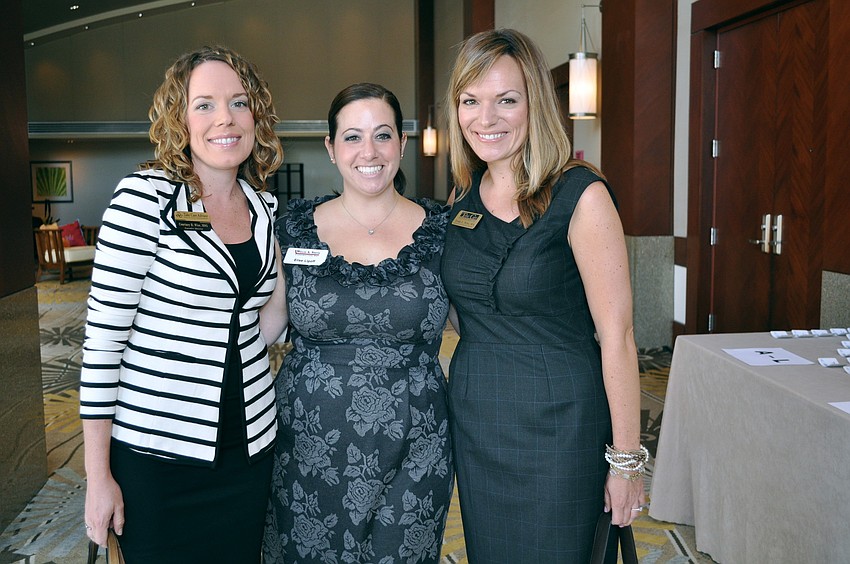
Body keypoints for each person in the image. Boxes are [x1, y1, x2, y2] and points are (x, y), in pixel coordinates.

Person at [440, 28, 648, 563]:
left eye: (506, 100)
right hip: (479, 421)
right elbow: (466, 312)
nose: (486, 119)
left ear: (535, 102)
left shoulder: (580, 193)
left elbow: (618, 335)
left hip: (561, 424)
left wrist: (626, 461)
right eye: (471, 101)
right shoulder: (460, 200)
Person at [79, 45, 284, 563]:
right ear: (179, 118)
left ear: (256, 113)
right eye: (205, 104)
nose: (225, 119)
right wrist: (98, 476)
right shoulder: (145, 199)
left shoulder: (262, 208)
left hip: (248, 453)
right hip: (159, 459)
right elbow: (103, 347)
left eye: (239, 102)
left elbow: (261, 323)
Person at [260, 83, 453, 564]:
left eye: (383, 135)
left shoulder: (443, 229)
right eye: (352, 137)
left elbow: (481, 326)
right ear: (331, 147)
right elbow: (261, 331)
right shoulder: (292, 227)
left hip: (417, 441)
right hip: (307, 440)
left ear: (402, 144)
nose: (369, 152)